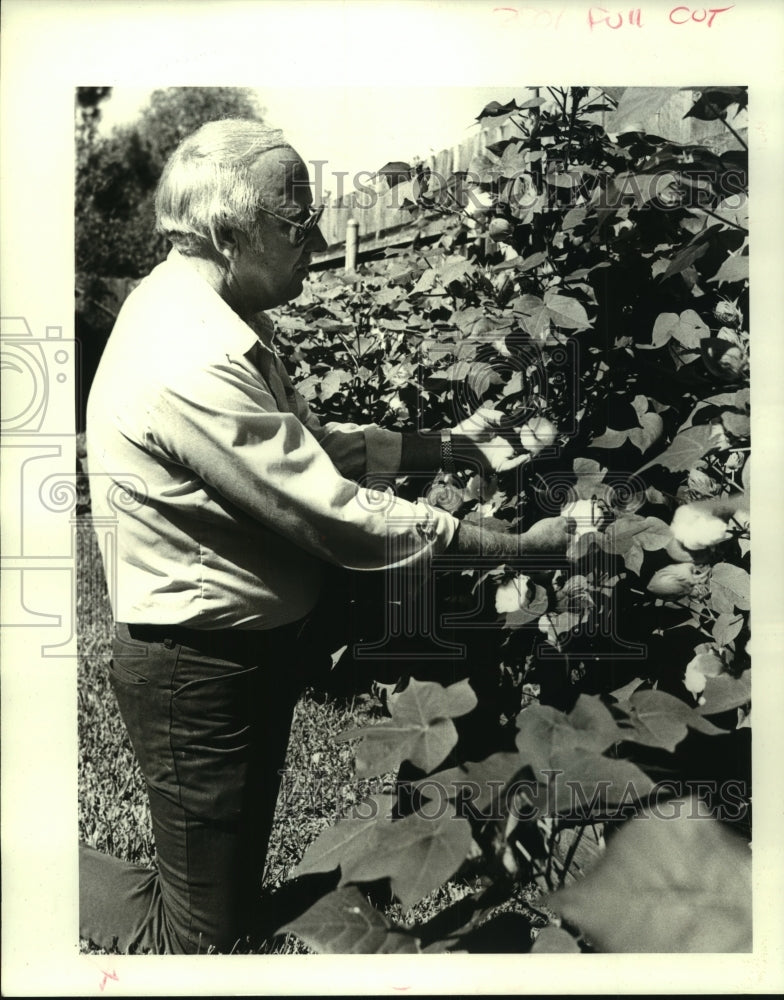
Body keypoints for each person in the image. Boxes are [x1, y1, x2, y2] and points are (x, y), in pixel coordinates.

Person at [80, 118, 571, 954]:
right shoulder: (188, 355)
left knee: (214, 891)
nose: (315, 234)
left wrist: (459, 447)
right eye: (295, 218)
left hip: (237, 651)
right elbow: (335, 514)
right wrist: (525, 547)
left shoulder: (207, 310)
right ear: (230, 234)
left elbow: (300, 444)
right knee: (202, 940)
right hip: (195, 670)